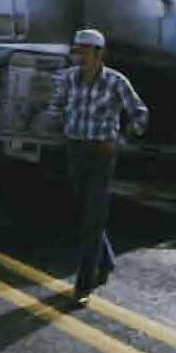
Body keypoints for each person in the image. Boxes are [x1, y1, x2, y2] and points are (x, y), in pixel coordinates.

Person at [49, 29, 149, 306]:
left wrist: (122, 139)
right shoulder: (68, 79)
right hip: (76, 150)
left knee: (93, 218)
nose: (79, 57)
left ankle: (83, 286)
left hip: (102, 154)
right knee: (85, 212)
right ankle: (105, 262)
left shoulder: (116, 82)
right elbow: (55, 107)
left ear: (98, 53)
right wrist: (57, 125)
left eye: (84, 52)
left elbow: (139, 112)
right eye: (76, 52)